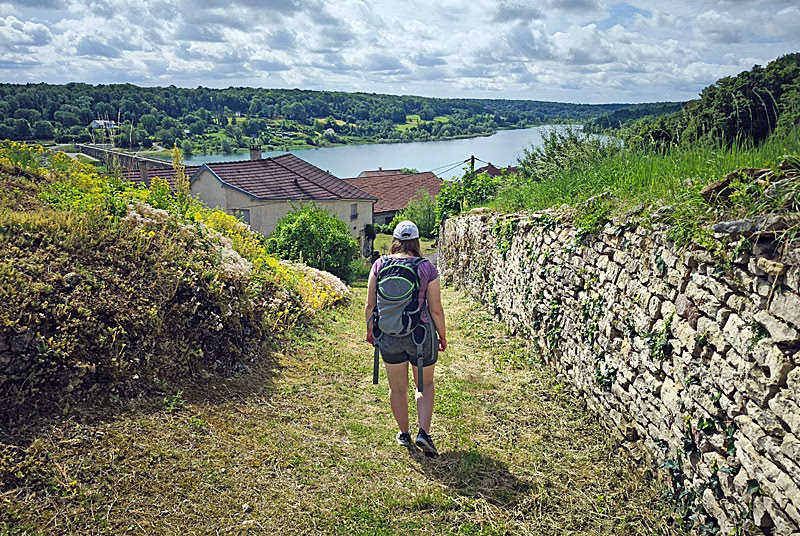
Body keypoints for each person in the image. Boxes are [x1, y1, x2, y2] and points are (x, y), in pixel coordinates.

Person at [365, 220, 447, 456]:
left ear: (395, 240)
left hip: (389, 335)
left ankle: (404, 433)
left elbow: (370, 305)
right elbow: (436, 309)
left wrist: (371, 332)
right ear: (417, 241)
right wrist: (442, 335)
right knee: (425, 383)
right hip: (421, 336)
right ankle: (424, 433)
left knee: (397, 388)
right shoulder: (426, 268)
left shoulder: (379, 265)